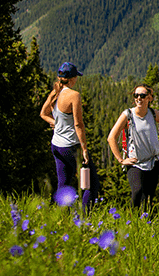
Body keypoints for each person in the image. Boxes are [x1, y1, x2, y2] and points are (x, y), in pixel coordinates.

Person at [40, 62, 99, 209]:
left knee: (63, 183)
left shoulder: (55, 92)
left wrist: (56, 123)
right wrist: (84, 149)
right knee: (90, 184)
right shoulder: (74, 95)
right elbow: (78, 124)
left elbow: (43, 114)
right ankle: (85, 219)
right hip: (71, 146)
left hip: (56, 145)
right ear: (72, 79)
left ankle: (61, 218)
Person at [106, 85, 159, 209]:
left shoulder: (153, 114)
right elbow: (111, 137)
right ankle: (132, 221)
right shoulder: (128, 115)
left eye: (142, 96)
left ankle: (145, 224)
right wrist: (121, 160)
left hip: (153, 162)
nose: (139, 98)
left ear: (149, 98)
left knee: (148, 198)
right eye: (136, 95)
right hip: (135, 162)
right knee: (137, 192)